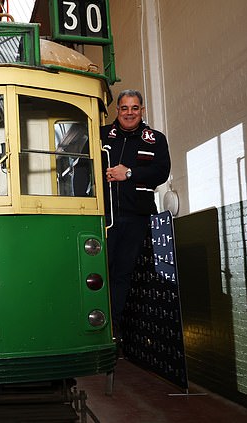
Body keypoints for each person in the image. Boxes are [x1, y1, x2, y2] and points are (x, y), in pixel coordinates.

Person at [101, 90, 171, 339]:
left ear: (142, 110)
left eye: (134, 108)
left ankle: (113, 325)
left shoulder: (155, 140)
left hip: (136, 218)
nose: (129, 113)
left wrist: (129, 173)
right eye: (124, 108)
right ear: (116, 111)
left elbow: (162, 172)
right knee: (100, 271)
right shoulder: (100, 136)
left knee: (123, 273)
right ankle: (95, 321)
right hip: (104, 218)